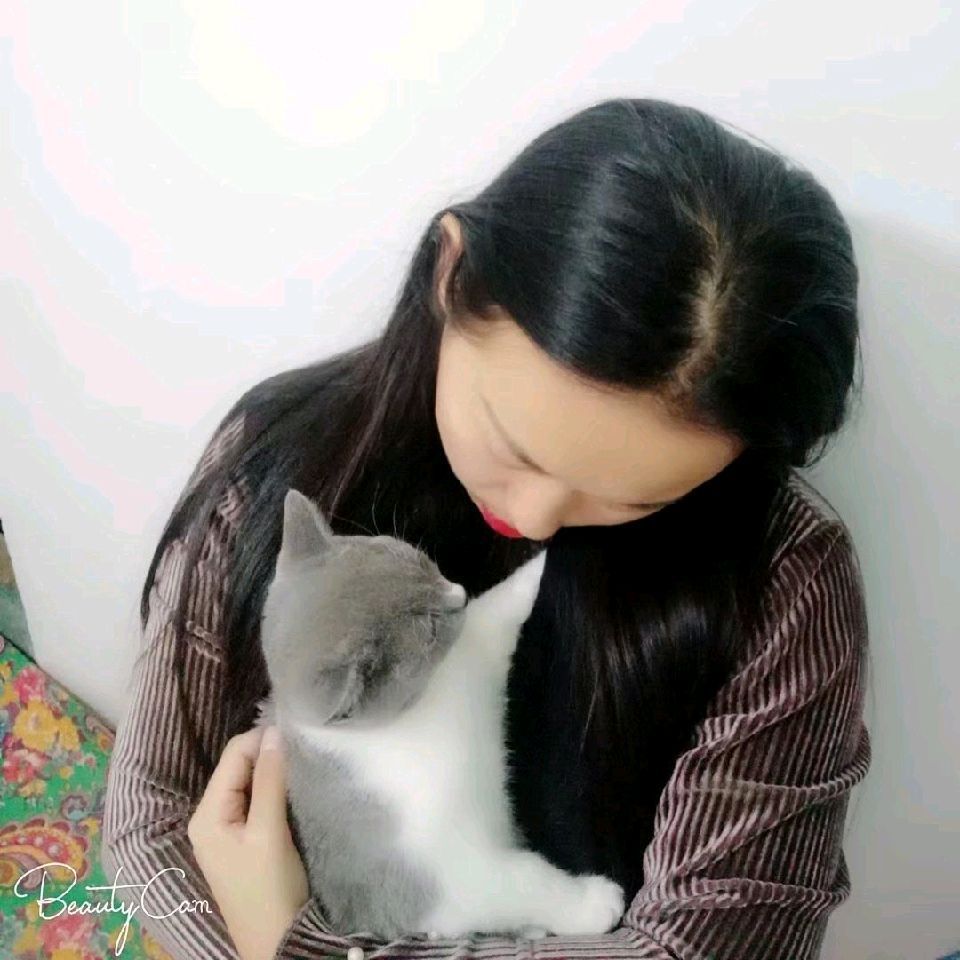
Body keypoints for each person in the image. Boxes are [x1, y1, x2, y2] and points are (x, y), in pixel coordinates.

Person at [100, 97, 871, 960]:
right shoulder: (285, 455)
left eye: (635, 501)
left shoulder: (786, 579)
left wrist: (290, 945)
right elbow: (148, 822)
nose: (537, 518)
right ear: (452, 273)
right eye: (513, 446)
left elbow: (711, 949)